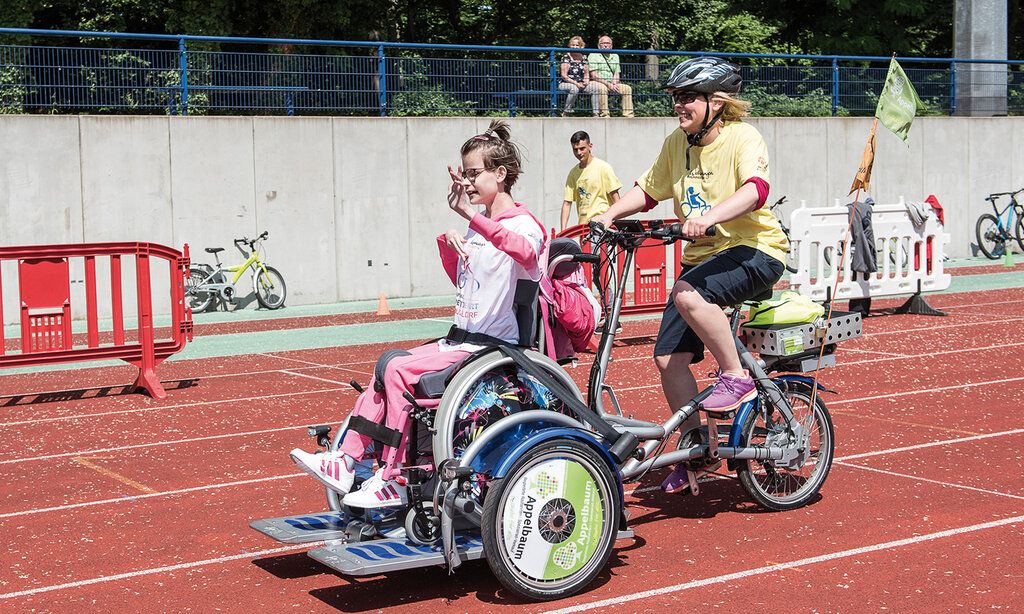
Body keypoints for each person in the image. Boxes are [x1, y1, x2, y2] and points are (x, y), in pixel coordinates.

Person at [291, 119, 545, 508]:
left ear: (501, 174)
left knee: (398, 371)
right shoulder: (480, 228)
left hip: (495, 347)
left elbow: (526, 253)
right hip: (461, 338)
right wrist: (450, 244)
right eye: (464, 174)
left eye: (474, 174)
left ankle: (393, 476)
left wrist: (473, 220)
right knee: (388, 363)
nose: (467, 182)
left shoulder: (525, 225)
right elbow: (464, 283)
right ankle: (345, 460)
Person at [590, 57, 788, 494]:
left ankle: (735, 376)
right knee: (667, 359)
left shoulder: (742, 137)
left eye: (687, 98)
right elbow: (649, 190)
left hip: (756, 249)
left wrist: (711, 217)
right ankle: (699, 447)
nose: (679, 106)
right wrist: (610, 213)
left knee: (688, 294)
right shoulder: (676, 144)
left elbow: (756, 189)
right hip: (704, 258)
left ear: (716, 102)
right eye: (675, 98)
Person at [560, 130, 622, 230]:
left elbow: (616, 200)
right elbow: (567, 203)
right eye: (575, 150)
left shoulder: (603, 167)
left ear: (590, 146)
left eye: (582, 148)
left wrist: (619, 226)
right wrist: (562, 232)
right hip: (583, 228)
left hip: (603, 226)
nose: (579, 153)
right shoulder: (573, 173)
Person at [587, 35, 634, 118]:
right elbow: (594, 75)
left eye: (608, 43)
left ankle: (629, 115)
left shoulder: (615, 56)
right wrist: (608, 84)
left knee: (627, 88)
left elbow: (616, 73)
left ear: (611, 46)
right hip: (597, 82)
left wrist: (615, 83)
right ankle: (605, 115)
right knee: (602, 88)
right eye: (603, 43)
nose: (606, 45)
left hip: (612, 83)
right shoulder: (593, 55)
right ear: (598, 45)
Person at [558, 36, 601, 116]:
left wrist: (586, 82)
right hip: (566, 83)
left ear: (581, 46)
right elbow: (564, 76)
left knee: (595, 88)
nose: (574, 47)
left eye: (577, 45)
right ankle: (566, 112)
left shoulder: (584, 57)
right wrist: (576, 84)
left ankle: (596, 113)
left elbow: (586, 74)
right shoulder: (566, 57)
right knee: (574, 89)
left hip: (581, 83)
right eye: (573, 45)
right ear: (570, 46)